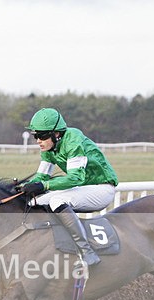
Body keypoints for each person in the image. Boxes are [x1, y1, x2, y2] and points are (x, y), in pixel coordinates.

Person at [18, 108, 119, 266]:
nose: (38, 140)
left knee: (57, 200)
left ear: (57, 134)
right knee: (33, 202)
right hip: (82, 189)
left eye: (42, 136)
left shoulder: (73, 139)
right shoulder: (49, 148)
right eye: (36, 136)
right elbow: (42, 176)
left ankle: (87, 252)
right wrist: (23, 187)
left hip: (101, 188)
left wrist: (43, 185)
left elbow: (75, 178)